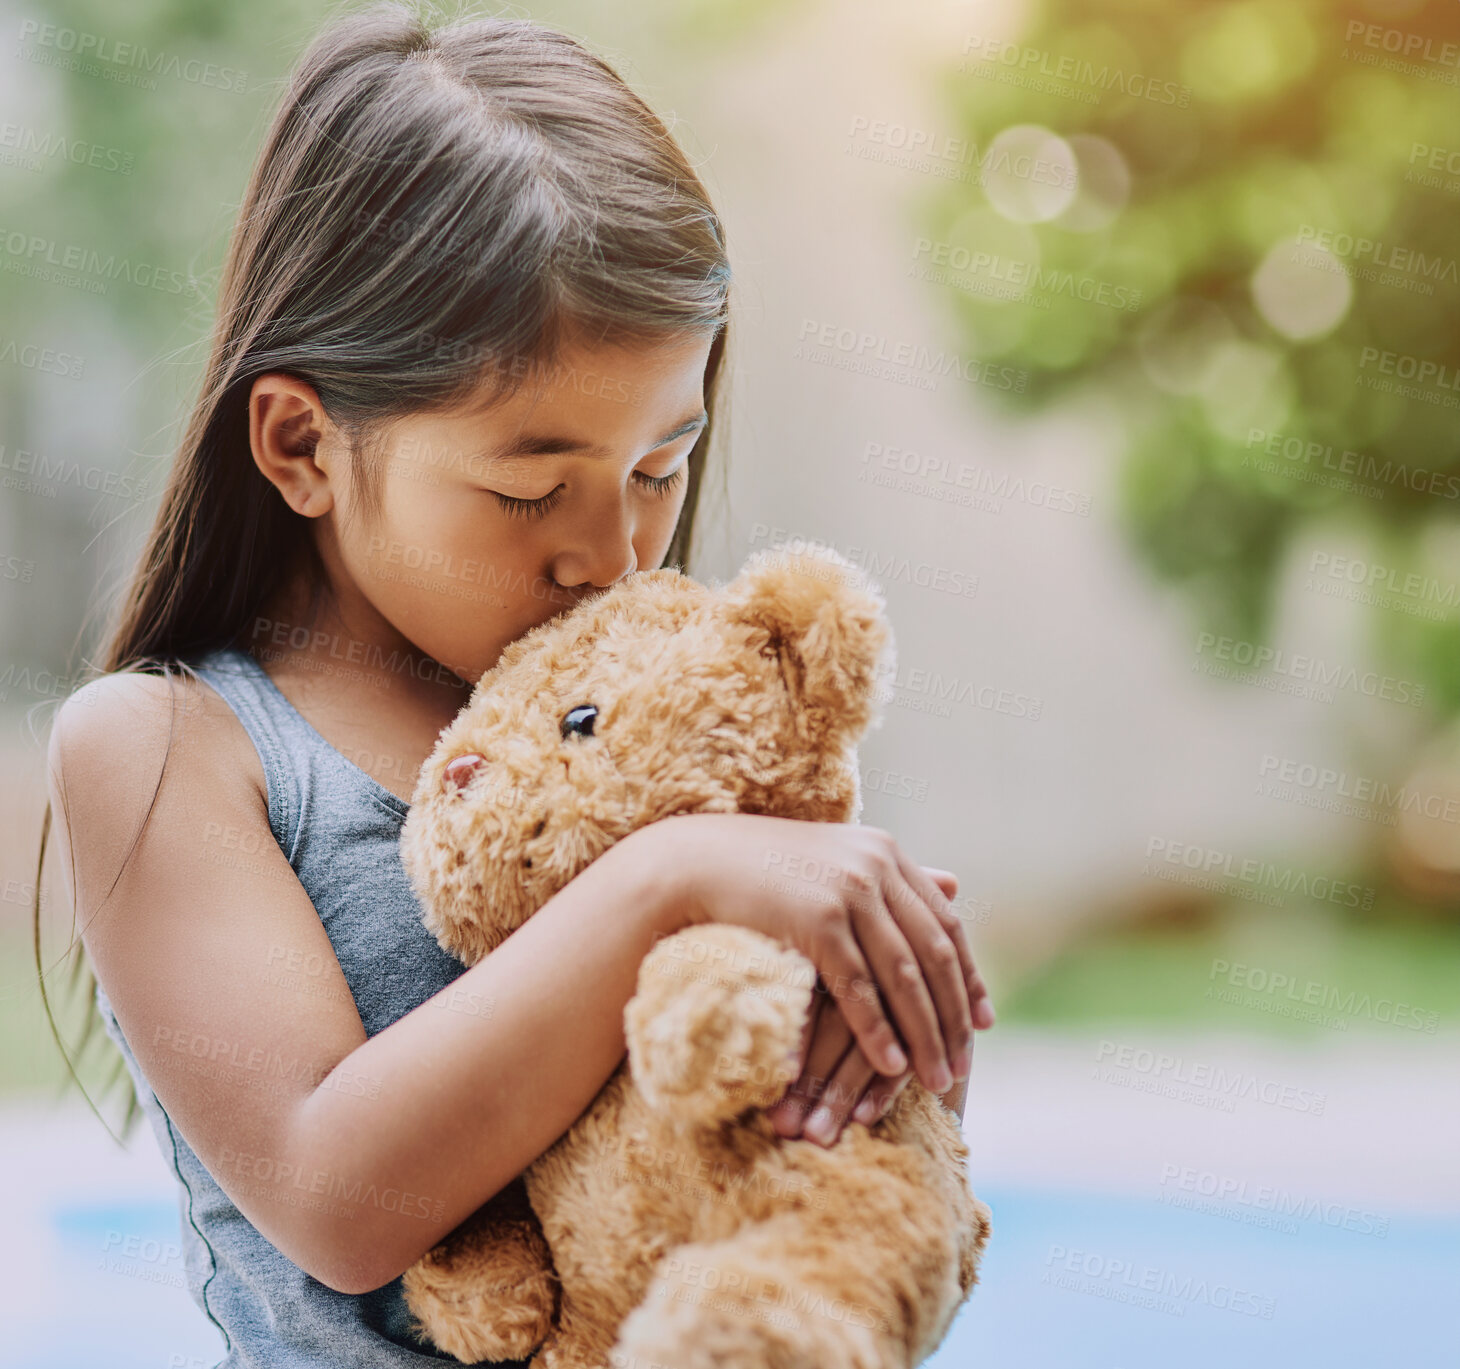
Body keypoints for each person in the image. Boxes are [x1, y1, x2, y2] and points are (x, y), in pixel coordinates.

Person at [38, 4, 994, 1365]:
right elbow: (335, 1194)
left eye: (662, 468)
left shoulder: (673, 726)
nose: (610, 553)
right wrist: (671, 878)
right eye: (528, 488)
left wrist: (876, 1048)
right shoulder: (171, 747)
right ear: (302, 441)